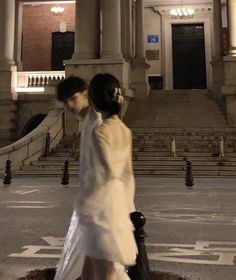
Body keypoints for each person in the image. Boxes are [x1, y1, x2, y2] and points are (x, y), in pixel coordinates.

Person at [54, 73, 137, 280]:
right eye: (66, 102)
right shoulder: (108, 126)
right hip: (102, 209)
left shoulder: (98, 126)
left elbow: (108, 174)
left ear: (87, 95)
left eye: (73, 98)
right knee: (91, 271)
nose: (70, 106)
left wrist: (86, 204)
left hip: (101, 211)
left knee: (102, 271)